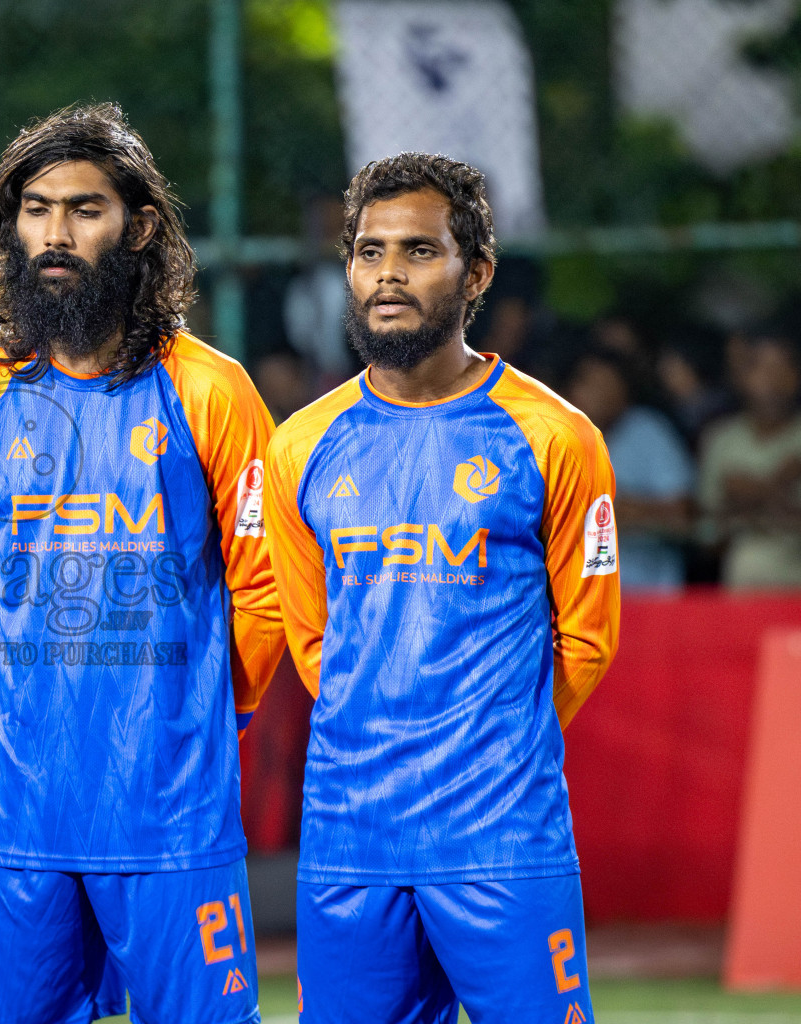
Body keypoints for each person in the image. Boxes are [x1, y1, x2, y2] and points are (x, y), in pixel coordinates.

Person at [0, 103, 284, 1024]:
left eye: (85, 209)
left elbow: (264, 586)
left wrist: (196, 710)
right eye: (37, 208)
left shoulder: (210, 392)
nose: (56, 232)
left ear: (140, 226)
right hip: (22, 816)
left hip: (171, 816)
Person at [263, 153, 619, 1024]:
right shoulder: (300, 446)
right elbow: (313, 638)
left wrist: (493, 742)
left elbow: (587, 638)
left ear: (477, 273)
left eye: (419, 252)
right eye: (369, 251)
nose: (389, 274)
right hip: (351, 837)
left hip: (501, 834)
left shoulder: (554, 437)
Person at [566, 348, 693, 589]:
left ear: (624, 391)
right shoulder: (556, 432)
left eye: (605, 383)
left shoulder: (649, 430)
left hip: (644, 586)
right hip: (574, 590)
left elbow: (683, 512)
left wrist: (617, 506)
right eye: (587, 383)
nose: (594, 393)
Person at [698, 328, 801, 588]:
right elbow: (707, 536)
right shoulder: (721, 439)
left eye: (782, 368)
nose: (772, 380)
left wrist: (763, 493)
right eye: (761, 368)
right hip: (743, 583)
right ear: (743, 377)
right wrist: (741, 507)